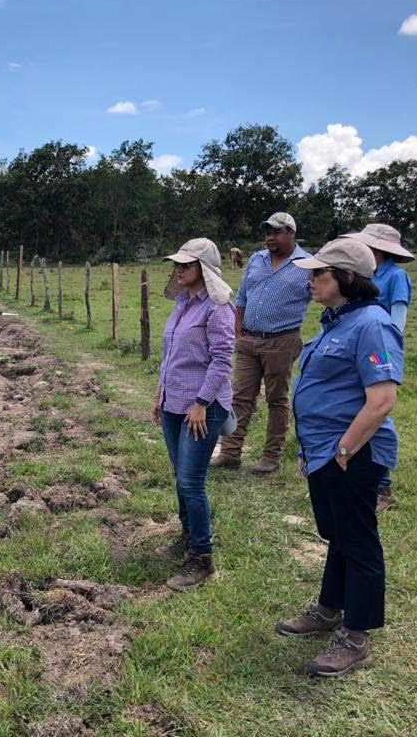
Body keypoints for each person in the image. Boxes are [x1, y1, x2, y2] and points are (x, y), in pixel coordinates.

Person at [276, 238, 402, 677]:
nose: (310, 281)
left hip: (352, 453)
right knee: (340, 533)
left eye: (319, 274)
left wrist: (345, 449)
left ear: (346, 278)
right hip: (325, 452)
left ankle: (356, 636)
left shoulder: (371, 324)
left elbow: (382, 399)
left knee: (359, 540)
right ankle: (330, 607)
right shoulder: (336, 322)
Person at [152, 238, 236, 590]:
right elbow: (170, 353)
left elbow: (221, 360)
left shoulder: (218, 307)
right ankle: (187, 537)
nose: (178, 270)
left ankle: (203, 559)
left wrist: (201, 403)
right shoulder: (183, 303)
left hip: (202, 408)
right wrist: (160, 392)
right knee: (179, 475)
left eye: (186, 265)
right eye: (177, 265)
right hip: (174, 404)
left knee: (191, 480)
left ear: (203, 269)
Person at [211, 212, 311, 473]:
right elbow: (242, 295)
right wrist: (238, 333)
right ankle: (230, 452)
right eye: (268, 232)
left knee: (277, 399)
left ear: (291, 232)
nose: (270, 237)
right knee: (240, 397)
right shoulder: (257, 259)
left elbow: (321, 293)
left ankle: (271, 456)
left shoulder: (308, 264)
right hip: (248, 339)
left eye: (276, 232)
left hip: (282, 340)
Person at [343, 224, 414, 511]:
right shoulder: (369, 274)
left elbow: (397, 319)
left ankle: (383, 487)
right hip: (358, 348)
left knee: (377, 413)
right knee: (355, 409)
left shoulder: (396, 276)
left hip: (378, 350)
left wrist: (385, 352)